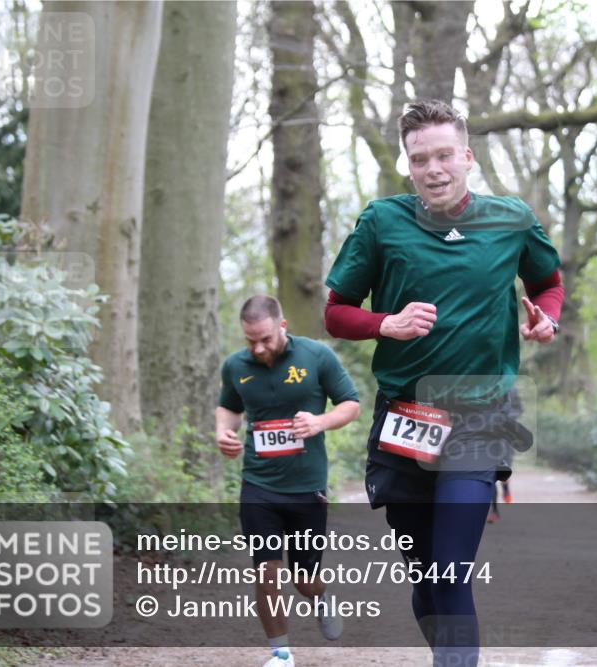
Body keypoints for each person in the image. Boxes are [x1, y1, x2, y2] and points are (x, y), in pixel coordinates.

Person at [324, 100, 564, 667]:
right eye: (419, 158)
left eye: (443, 155)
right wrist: (387, 323)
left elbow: (548, 281)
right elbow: (336, 312)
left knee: (451, 571)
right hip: (405, 417)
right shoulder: (382, 222)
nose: (433, 169)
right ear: (408, 165)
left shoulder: (511, 220)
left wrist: (546, 318)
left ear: (467, 158)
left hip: (480, 413)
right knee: (427, 580)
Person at [216, 295, 361, 667]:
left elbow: (350, 403)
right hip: (259, 483)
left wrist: (319, 422)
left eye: (265, 338)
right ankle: (280, 653)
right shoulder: (235, 365)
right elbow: (229, 407)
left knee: (304, 579)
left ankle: (321, 596)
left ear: (283, 326)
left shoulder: (317, 357)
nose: (258, 348)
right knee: (266, 570)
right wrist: (224, 432)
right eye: (251, 341)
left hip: (307, 486)